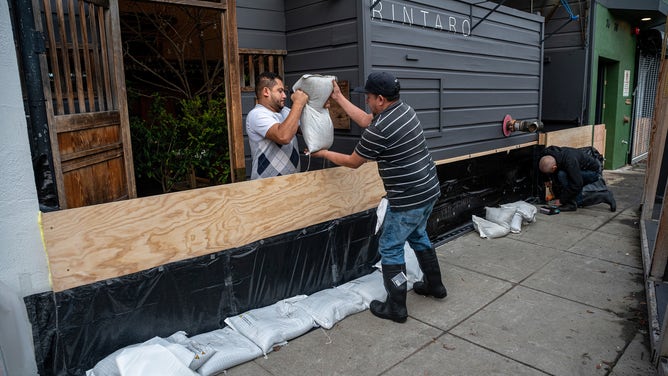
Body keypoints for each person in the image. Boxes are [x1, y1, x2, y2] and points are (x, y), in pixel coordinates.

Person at [310, 72, 447, 323]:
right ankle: (435, 285)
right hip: (429, 189)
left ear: (381, 99)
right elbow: (365, 120)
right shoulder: (405, 111)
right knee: (418, 235)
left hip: (407, 199)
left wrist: (323, 153)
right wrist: (339, 97)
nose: (367, 101)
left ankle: (396, 307)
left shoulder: (381, 129)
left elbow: (353, 162)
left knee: (391, 248)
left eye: (369, 97)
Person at [246, 72, 309, 180]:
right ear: (266, 92)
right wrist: (298, 103)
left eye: (284, 91)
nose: (284, 96)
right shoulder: (256, 115)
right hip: (265, 186)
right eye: (280, 91)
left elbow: (305, 130)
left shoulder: (286, 111)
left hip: (292, 182)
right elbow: (283, 136)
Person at [539, 145, 616, 212]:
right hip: (578, 167)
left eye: (549, 172)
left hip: (593, 172)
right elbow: (542, 166)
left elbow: (577, 184)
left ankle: (604, 196)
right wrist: (546, 180)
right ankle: (570, 201)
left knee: (563, 176)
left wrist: (562, 200)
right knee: (562, 175)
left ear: (554, 167)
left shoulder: (570, 162)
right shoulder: (548, 153)